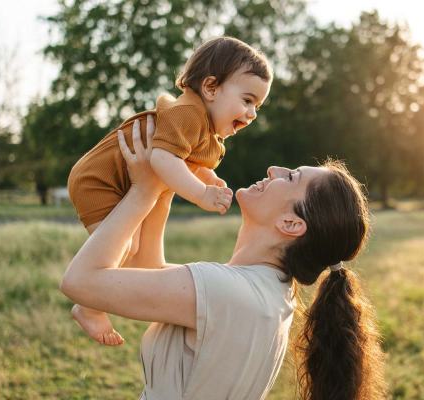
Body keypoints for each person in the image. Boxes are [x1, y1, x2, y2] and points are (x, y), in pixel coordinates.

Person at [60, 119, 387, 399]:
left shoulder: (228, 292)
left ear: (291, 224)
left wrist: (142, 192)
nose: (274, 169)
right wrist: (166, 180)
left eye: (290, 177)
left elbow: (80, 283)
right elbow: (144, 271)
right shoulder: (265, 291)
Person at [66, 36, 272, 345]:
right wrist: (201, 193)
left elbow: (184, 159)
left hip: (119, 180)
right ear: (211, 88)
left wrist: (207, 177)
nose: (252, 113)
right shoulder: (188, 114)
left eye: (257, 105)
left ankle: (91, 302)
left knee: (133, 248)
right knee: (124, 245)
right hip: (100, 179)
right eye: (247, 100)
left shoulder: (204, 128)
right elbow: (162, 158)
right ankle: (89, 306)